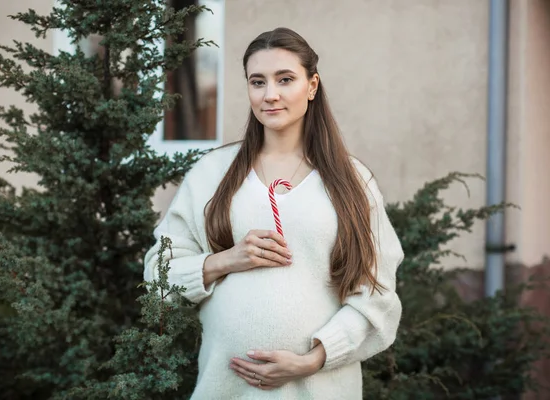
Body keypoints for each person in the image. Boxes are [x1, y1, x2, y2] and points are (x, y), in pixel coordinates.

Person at [144, 27, 404, 400]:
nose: (270, 95)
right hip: (226, 388)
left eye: (285, 79)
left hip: (321, 390)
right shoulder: (213, 173)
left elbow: (376, 293)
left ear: (312, 85)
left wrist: (315, 359)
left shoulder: (352, 181)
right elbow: (158, 274)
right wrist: (225, 260)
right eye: (257, 81)